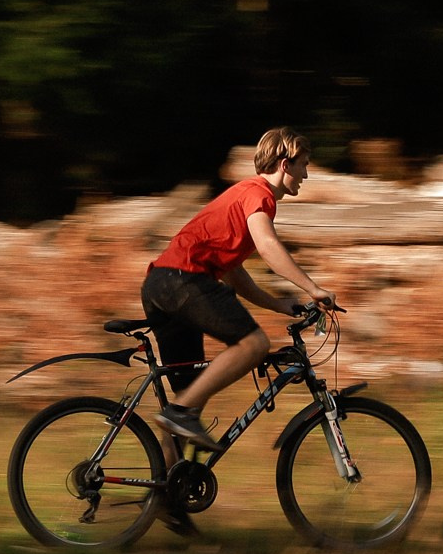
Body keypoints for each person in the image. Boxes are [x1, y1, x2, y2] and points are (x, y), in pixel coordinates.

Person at [143, 126, 336, 452]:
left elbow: (234, 274)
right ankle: (179, 413)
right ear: (285, 164)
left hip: (161, 284)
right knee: (255, 343)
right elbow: (268, 246)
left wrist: (278, 304)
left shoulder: (241, 197)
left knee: (191, 394)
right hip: (183, 280)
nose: (306, 173)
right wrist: (313, 288)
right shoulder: (258, 194)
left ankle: (164, 498)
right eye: (303, 164)